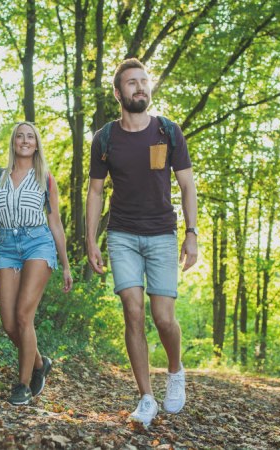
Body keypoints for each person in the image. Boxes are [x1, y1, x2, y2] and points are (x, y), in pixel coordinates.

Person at [85, 58, 198, 427]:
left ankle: (175, 371)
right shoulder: (105, 138)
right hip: (122, 236)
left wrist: (191, 234)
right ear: (118, 93)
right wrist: (91, 239)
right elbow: (96, 191)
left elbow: (186, 185)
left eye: (144, 81)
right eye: (131, 83)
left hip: (163, 235)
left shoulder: (168, 131)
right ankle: (146, 397)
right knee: (132, 312)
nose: (140, 87)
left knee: (163, 319)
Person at [0, 121, 73, 406]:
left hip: (38, 245)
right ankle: (40, 363)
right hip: (6, 247)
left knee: (23, 316)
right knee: (9, 323)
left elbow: (54, 223)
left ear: (37, 143)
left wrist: (66, 264)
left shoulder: (46, 179)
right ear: (14, 142)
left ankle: (23, 385)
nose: (25, 140)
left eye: (30, 136)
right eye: (20, 136)